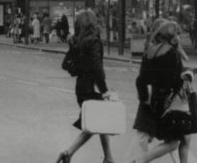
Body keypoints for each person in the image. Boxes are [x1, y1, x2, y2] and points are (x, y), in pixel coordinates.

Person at [56, 10, 115, 163]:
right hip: (91, 88)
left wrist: (80, 69)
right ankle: (68, 152)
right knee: (94, 123)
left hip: (81, 88)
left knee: (99, 121)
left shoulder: (77, 41)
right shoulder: (94, 40)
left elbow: (66, 65)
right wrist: (104, 90)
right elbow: (97, 67)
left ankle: (108, 157)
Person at [129, 19, 188, 163]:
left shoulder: (149, 52)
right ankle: (140, 160)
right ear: (171, 37)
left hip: (153, 100)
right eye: (177, 35)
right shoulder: (172, 54)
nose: (179, 38)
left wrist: (144, 98)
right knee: (174, 142)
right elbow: (177, 82)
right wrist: (188, 76)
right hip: (167, 103)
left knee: (146, 135)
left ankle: (139, 159)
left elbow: (140, 80)